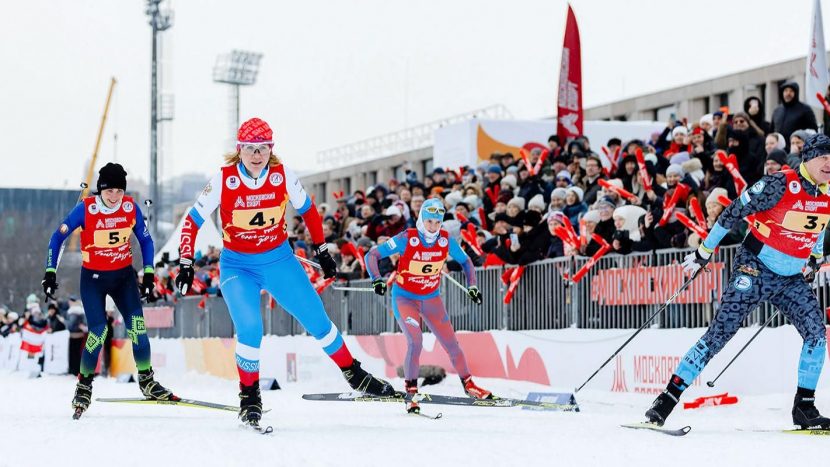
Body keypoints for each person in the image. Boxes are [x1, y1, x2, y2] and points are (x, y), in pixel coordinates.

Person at [175, 118, 395, 429]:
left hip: (279, 261)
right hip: (238, 266)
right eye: (249, 149)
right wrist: (186, 262)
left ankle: (355, 375)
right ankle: (250, 397)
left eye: (262, 149)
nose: (256, 155)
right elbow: (192, 219)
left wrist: (321, 250)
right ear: (239, 151)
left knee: (318, 321)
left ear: (270, 150)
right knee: (250, 329)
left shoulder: (282, 175)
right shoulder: (225, 179)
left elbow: (308, 210)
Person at [644, 134, 830, 430]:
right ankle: (666, 400)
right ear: (807, 157)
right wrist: (704, 251)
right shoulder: (778, 183)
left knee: (818, 334)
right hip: (755, 270)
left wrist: (814, 258)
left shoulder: (827, 191)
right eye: (824, 156)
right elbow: (732, 212)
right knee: (720, 333)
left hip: (790, 278)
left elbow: (820, 223)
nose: (829, 163)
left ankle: (804, 408)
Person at [42, 163, 175, 418]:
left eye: (119, 191)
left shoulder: (130, 208)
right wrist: (50, 272)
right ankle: (84, 386)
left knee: (137, 326)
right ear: (100, 190)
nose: (114, 197)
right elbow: (56, 238)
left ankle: (147, 380)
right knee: (98, 331)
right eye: (109, 191)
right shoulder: (86, 209)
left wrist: (148, 273)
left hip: (123, 277)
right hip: (93, 279)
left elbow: (146, 240)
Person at [364, 198, 488, 414]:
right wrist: (376, 279)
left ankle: (469, 385)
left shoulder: (445, 241)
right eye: (429, 221)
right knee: (416, 341)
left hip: (432, 299)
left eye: (437, 223)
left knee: (452, 344)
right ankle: (411, 393)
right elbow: (372, 255)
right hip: (405, 299)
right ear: (422, 219)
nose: (433, 227)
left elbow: (467, 262)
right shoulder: (407, 238)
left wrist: (473, 286)